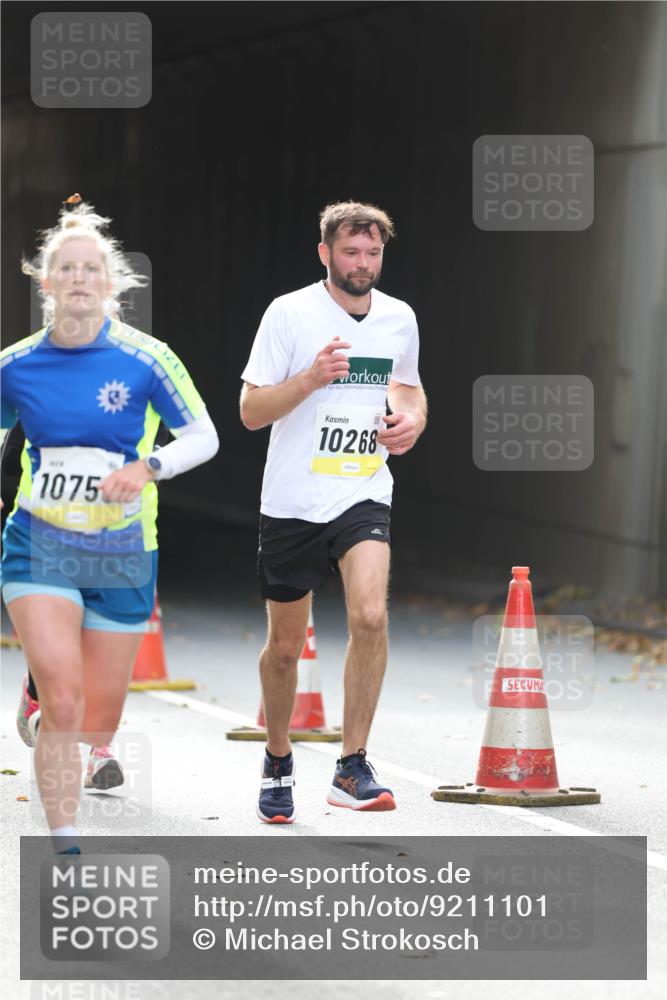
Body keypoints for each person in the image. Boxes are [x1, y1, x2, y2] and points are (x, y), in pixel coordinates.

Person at [1, 196, 219, 851]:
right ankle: (64, 843)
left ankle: (57, 720)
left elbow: (203, 436)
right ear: (46, 282)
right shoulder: (16, 365)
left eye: (89, 269)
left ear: (110, 283)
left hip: (123, 552)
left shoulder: (148, 359)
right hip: (39, 544)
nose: (78, 278)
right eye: (66, 269)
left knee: (96, 720)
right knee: (64, 699)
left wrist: (148, 467)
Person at [240, 200, 427, 823]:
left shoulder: (399, 318)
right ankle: (278, 759)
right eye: (351, 252)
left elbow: (407, 387)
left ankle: (351, 765)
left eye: (373, 253)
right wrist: (310, 380)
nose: (362, 263)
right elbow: (251, 411)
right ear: (325, 253)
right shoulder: (289, 313)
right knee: (285, 647)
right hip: (293, 500)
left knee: (370, 616)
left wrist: (410, 421)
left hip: (362, 490)